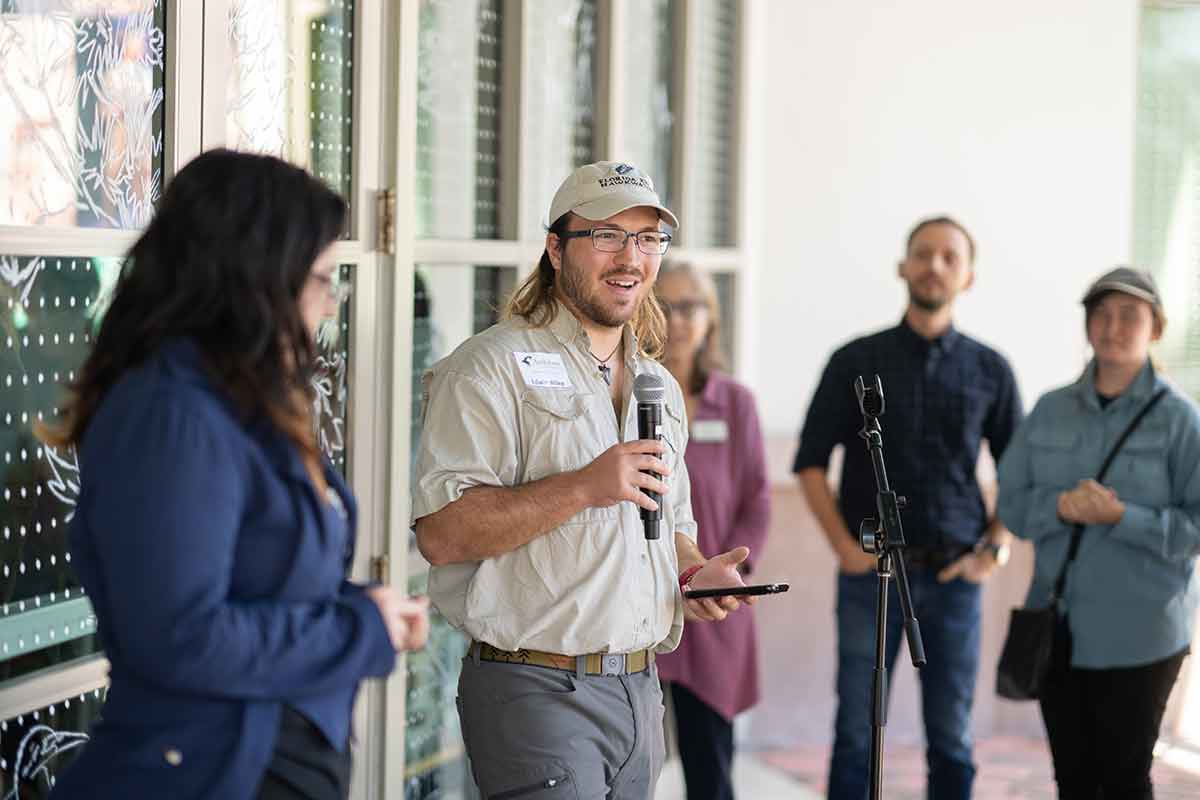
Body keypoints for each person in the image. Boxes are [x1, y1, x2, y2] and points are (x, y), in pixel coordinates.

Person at [42, 149, 429, 800]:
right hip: (205, 773)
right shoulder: (170, 416)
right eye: (323, 280)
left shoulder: (237, 398)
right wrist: (357, 630)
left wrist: (361, 610)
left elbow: (258, 590)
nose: (331, 307)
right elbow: (182, 636)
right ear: (258, 279)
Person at [411, 161, 757, 800]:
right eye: (606, 235)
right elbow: (443, 534)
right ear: (555, 247)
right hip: (536, 691)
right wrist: (582, 487)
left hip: (639, 693)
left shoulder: (658, 384)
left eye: (649, 238)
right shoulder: (488, 368)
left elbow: (667, 528)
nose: (631, 256)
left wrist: (693, 573)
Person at [793, 216, 1023, 800]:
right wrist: (846, 550)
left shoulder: (991, 369)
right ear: (902, 267)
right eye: (923, 254)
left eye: (950, 257)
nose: (935, 265)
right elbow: (811, 463)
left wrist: (994, 548)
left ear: (968, 276)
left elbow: (1018, 472)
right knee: (855, 732)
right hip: (870, 579)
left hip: (954, 578)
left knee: (951, 737)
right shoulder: (854, 361)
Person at [996, 267, 1200, 800]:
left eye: (1129, 316)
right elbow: (1013, 509)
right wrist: (1061, 506)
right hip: (1060, 627)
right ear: (1087, 326)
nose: (1113, 327)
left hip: (1144, 635)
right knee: (1074, 780)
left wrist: (1121, 517)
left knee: (1126, 779)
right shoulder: (1048, 410)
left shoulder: (1181, 421)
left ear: (1155, 328)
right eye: (1101, 314)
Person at [653, 264, 771, 800]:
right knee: (633, 762)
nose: (679, 321)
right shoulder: (632, 393)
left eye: (691, 306)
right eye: (667, 305)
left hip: (713, 601)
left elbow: (758, 500)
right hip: (645, 603)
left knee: (709, 769)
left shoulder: (736, 403)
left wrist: (730, 575)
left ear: (711, 318)